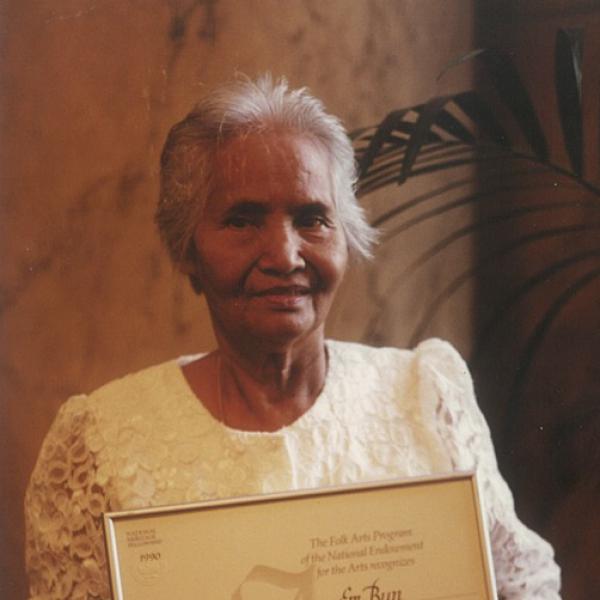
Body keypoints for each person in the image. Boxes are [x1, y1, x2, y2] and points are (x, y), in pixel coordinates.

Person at [24, 75, 561, 599]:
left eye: (312, 218)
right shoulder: (101, 444)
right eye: (242, 221)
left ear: (346, 239)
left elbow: (522, 587)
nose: (284, 256)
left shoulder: (423, 396)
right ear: (187, 248)